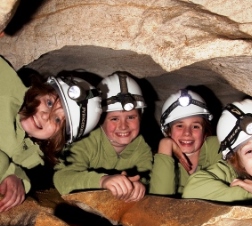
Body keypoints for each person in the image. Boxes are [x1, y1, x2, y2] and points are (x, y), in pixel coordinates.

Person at [0, 56, 102, 212]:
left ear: (56, 138)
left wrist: (15, 176)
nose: (45, 115)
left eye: (57, 120)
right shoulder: (5, 91)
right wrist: (8, 171)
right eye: (49, 102)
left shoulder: (27, 155)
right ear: (39, 91)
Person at [53, 72, 153, 202]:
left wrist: (140, 186)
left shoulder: (142, 148)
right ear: (100, 120)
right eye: (114, 119)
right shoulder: (84, 141)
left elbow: (148, 176)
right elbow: (62, 178)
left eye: (130, 117)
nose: (123, 126)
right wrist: (102, 181)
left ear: (140, 118)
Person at [149, 89, 221, 197]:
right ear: (168, 131)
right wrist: (165, 144)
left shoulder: (216, 147)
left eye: (195, 126)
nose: (187, 133)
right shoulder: (154, 162)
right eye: (179, 126)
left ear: (205, 132)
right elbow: (160, 202)